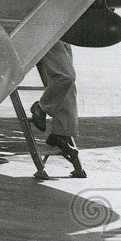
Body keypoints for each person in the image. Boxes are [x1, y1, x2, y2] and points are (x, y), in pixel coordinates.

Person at [30, 41, 85, 174]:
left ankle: (60, 134)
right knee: (66, 76)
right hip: (44, 29)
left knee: (68, 86)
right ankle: (40, 107)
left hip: (63, 34)